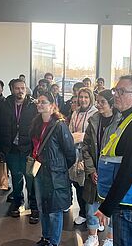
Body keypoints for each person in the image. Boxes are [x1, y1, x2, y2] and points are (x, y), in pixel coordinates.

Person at [95, 75, 132, 245]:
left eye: (121, 91)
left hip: (127, 199)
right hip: (124, 198)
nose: (115, 94)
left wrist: (107, 207)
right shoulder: (128, 117)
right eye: (115, 90)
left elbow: (129, 170)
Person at [30, 92, 75, 246]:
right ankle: (46, 237)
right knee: (43, 208)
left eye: (44, 102)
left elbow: (70, 153)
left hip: (55, 175)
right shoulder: (36, 123)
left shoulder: (59, 125)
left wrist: (59, 167)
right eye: (38, 101)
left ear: (52, 105)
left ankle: (54, 242)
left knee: (55, 211)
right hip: (40, 172)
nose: (40, 104)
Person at [0, 79, 40, 223]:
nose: (20, 91)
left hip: (28, 149)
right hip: (11, 149)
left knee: (31, 179)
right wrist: (1, 149)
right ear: (11, 89)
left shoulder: (33, 106)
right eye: (17, 88)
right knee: (16, 178)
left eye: (23, 88)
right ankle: (18, 202)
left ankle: (34, 206)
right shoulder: (4, 105)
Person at [82, 90, 120, 246]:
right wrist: (91, 170)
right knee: (91, 205)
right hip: (95, 171)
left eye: (102, 102)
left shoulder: (121, 121)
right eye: (97, 101)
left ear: (111, 103)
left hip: (112, 172)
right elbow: (85, 147)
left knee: (113, 205)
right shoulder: (93, 120)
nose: (98, 104)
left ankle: (110, 237)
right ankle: (93, 235)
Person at [69, 87, 98, 225]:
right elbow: (70, 130)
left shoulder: (96, 114)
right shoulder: (75, 112)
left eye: (86, 97)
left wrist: (81, 137)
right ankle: (82, 212)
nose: (83, 100)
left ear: (90, 98)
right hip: (75, 153)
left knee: (89, 186)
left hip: (88, 154)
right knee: (77, 184)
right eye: (81, 97)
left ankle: (94, 217)